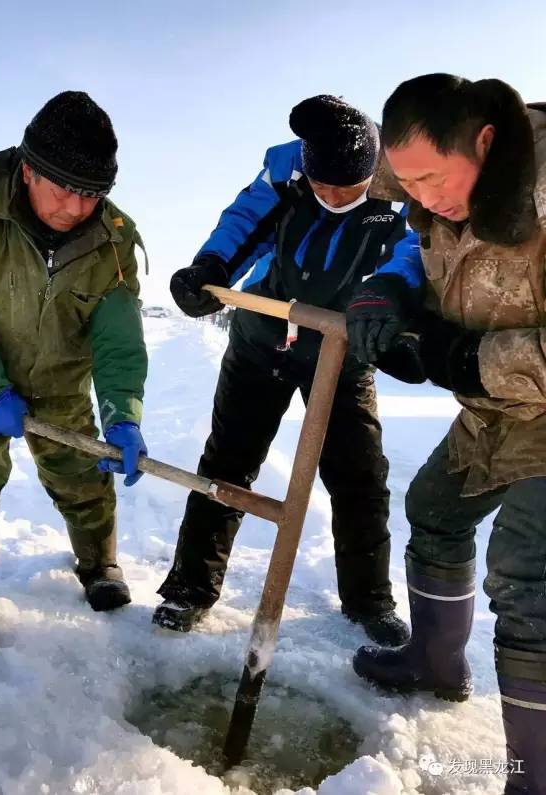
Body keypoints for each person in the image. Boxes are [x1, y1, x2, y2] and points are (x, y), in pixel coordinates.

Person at [153, 95, 419, 647]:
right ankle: (188, 588)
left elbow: (413, 254)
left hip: (343, 350)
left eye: (345, 189)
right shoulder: (288, 170)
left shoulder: (403, 185)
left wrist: (388, 305)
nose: (331, 197)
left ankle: (370, 600)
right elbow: (245, 221)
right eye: (323, 187)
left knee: (359, 477)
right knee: (226, 464)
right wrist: (212, 268)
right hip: (263, 339)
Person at [346, 73, 546, 794]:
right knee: (433, 510)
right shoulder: (432, 196)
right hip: (498, 410)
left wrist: (459, 357)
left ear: (485, 142)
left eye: (431, 176)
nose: (421, 196)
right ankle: (435, 664)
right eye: (408, 182)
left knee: (528, 577)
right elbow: (418, 246)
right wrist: (388, 290)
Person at [0, 91, 148, 653]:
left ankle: (99, 563)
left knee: (84, 474)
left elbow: (118, 337)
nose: (74, 207)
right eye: (62, 187)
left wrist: (123, 412)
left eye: (91, 194)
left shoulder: (113, 238)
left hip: (61, 379)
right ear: (28, 168)